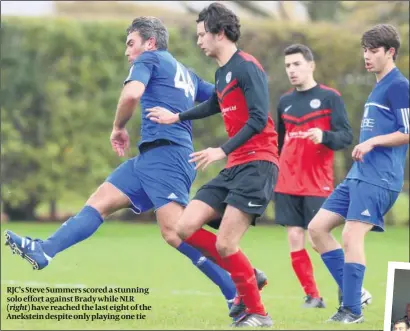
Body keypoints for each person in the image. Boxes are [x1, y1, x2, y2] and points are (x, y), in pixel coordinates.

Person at [4, 16, 241, 313]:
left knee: (174, 231)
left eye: (131, 44)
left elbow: (131, 94)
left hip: (167, 156)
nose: (127, 52)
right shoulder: (185, 72)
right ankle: (44, 250)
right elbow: (224, 98)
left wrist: (118, 127)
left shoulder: (150, 59)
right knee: (100, 201)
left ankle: (238, 286)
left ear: (150, 43)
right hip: (150, 158)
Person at [146, 3, 278, 327]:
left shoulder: (248, 67)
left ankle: (258, 312)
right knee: (184, 226)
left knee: (225, 244)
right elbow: (214, 104)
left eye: (203, 35)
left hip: (258, 164)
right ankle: (247, 273)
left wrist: (221, 149)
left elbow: (260, 118)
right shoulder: (222, 73)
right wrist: (176, 116)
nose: (199, 41)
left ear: (220, 33)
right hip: (234, 165)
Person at [308, 23, 409, 324]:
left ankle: (351, 310)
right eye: (365, 50)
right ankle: (356, 294)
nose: (367, 56)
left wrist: (373, 141)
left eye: (374, 51)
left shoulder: (399, 86)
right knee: (317, 229)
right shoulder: (378, 86)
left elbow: (409, 130)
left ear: (390, 52)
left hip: (380, 178)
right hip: (358, 175)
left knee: (352, 234)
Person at [274, 43, 353, 308]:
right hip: (287, 181)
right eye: (287, 66)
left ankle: (349, 288)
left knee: (317, 239)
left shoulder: (330, 97)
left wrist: (324, 136)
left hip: (317, 182)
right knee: (294, 236)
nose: (292, 70)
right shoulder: (284, 102)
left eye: (297, 64)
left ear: (311, 65)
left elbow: (345, 136)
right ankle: (313, 295)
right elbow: (279, 142)